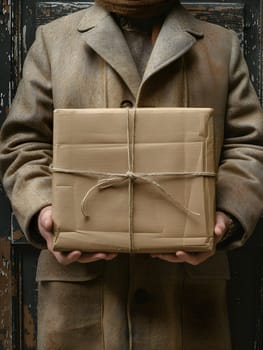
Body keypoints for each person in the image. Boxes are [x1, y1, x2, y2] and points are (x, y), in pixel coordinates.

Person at [1, 0, 263, 349]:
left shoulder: (220, 45)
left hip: (188, 300)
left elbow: (249, 146)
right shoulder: (54, 41)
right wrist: (45, 210)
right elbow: (23, 142)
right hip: (80, 299)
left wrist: (226, 217)